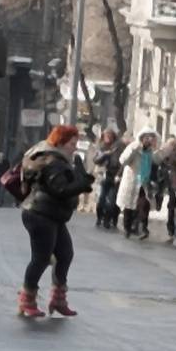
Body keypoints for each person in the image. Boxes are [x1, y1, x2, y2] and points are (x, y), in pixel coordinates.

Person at [17, 125, 95, 319]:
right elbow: (59, 189)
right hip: (41, 214)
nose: (74, 148)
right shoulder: (52, 161)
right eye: (71, 144)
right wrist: (82, 184)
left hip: (52, 214)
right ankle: (27, 299)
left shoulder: (56, 158)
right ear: (60, 143)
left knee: (65, 254)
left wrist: (79, 177)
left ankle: (58, 299)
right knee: (41, 258)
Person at [117, 131, 157, 239]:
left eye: (151, 138)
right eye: (148, 138)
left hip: (143, 182)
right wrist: (133, 148)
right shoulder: (134, 148)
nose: (150, 141)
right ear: (142, 138)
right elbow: (123, 160)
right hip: (132, 180)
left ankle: (143, 228)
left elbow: (156, 161)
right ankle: (127, 228)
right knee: (129, 206)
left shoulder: (150, 151)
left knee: (144, 204)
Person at [93, 129, 124, 230]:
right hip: (103, 175)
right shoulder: (101, 147)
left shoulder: (119, 146)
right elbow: (96, 160)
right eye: (106, 136)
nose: (108, 138)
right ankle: (99, 217)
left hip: (115, 175)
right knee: (101, 199)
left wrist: (119, 175)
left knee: (112, 200)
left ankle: (108, 220)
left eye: (110, 136)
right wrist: (106, 154)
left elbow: (123, 162)